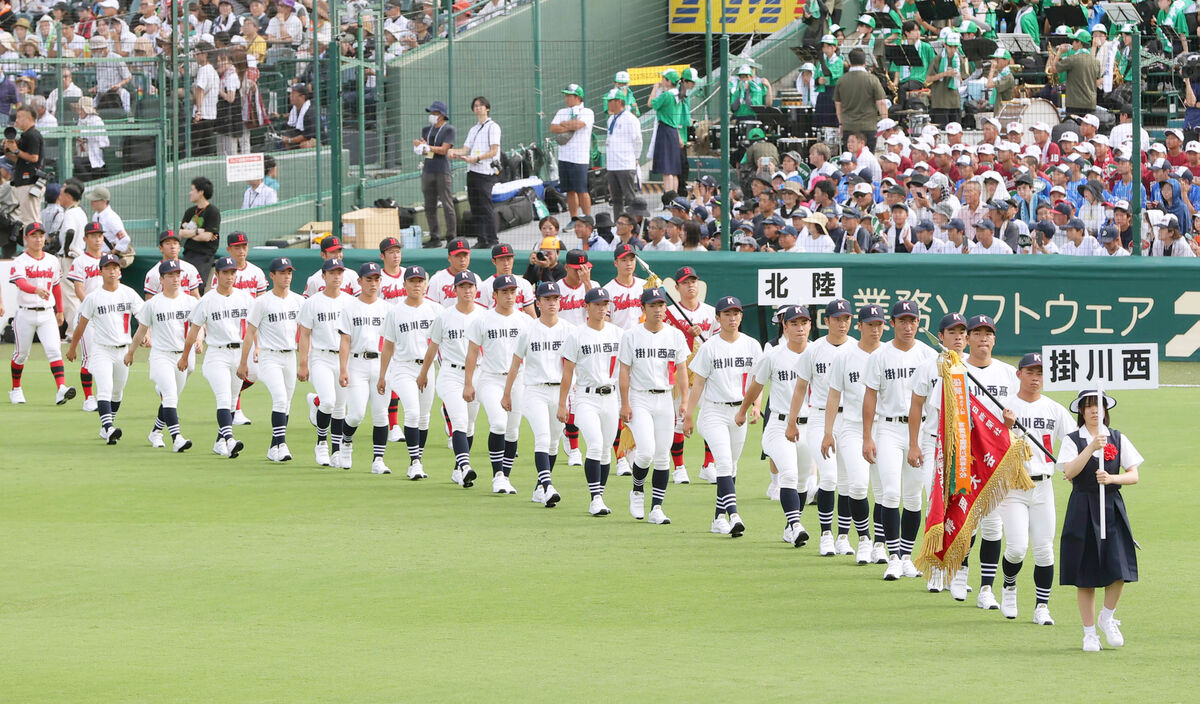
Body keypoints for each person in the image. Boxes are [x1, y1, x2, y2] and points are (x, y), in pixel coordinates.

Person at [994, 352, 1076, 625]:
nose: (1035, 378)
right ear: (1019, 375)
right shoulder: (1005, 407)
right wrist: (1005, 428)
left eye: (1040, 373)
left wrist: (1073, 469)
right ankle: (1009, 586)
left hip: (1043, 486)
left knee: (1044, 549)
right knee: (1017, 547)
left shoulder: (1055, 409)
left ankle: (1042, 607)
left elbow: (1073, 442)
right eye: (1030, 372)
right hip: (1013, 486)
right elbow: (990, 445)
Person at [1059, 390, 1142, 652]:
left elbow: (1133, 474)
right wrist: (1092, 448)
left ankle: (1107, 617)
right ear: (1081, 412)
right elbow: (1069, 471)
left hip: (1111, 506)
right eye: (1088, 406)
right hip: (1082, 506)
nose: (1094, 410)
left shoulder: (1117, 437)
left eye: (1099, 405)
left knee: (1119, 567)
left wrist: (1112, 479)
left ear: (1106, 410)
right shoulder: (1073, 440)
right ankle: (1089, 633)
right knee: (1085, 574)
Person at [861, 300, 936, 581]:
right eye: (902, 321)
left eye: (912, 320)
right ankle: (893, 556)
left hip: (921, 432)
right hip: (889, 428)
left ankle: (907, 556)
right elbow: (870, 396)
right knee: (891, 493)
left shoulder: (929, 356)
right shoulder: (880, 356)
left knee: (914, 497)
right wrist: (867, 436)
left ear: (918, 323)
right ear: (891, 323)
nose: (908, 326)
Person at [682, 296, 760, 538]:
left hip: (739, 412)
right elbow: (698, 384)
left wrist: (755, 406)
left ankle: (718, 517)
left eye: (736, 313)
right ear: (717, 318)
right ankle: (734, 515)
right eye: (727, 313)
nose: (732, 317)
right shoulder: (709, 347)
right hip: (714, 411)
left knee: (732, 466)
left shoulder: (752, 345)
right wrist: (689, 415)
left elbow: (758, 380)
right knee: (724, 463)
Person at [907, 312, 970, 592]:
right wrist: (914, 443)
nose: (958, 337)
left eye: (962, 333)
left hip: (966, 448)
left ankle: (955, 571)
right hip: (935, 443)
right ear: (941, 336)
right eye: (952, 332)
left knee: (961, 510)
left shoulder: (973, 368)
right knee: (935, 507)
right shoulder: (928, 367)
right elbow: (917, 406)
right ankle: (934, 570)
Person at [619, 287, 691, 524]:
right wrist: (625, 403)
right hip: (640, 398)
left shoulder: (675, 335)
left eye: (661, 305)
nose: (658, 310)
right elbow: (624, 371)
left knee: (662, 456)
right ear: (643, 308)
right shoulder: (631, 335)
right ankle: (637, 490)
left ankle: (656, 509)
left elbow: (681, 369)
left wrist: (685, 401)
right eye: (653, 305)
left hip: (665, 399)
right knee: (647, 451)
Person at [788, 299, 854, 555]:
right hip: (818, 418)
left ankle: (843, 536)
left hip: (850, 420)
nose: (842, 323)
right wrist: (792, 421)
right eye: (837, 318)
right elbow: (801, 387)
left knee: (848, 482)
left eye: (846, 318)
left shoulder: (858, 350)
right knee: (828, 476)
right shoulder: (814, 350)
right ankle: (826, 534)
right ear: (825, 321)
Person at [739, 304, 810, 545]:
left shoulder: (818, 353)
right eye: (794, 323)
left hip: (810, 425)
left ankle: (791, 525)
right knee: (788, 475)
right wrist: (743, 410)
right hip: (779, 424)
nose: (799, 328)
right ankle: (796, 525)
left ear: (810, 325)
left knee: (802, 481)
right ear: (784, 326)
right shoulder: (773, 355)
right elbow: (756, 385)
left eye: (804, 322)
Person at [504, 280, 573, 506]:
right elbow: (515, 364)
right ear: (538, 302)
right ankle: (548, 486)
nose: (552, 303)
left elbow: (573, 367)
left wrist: (567, 399)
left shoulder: (569, 331)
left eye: (555, 299)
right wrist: (507, 394)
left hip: (560, 392)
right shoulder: (528, 330)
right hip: (534, 390)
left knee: (553, 442)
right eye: (547, 299)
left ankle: (539, 488)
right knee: (542, 438)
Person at [179, 256, 251, 459]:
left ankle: (220, 441)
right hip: (217, 354)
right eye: (225, 272)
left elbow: (253, 328)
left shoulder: (245, 298)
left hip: (238, 353)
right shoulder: (206, 300)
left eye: (232, 272)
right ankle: (230, 440)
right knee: (223, 397)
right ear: (217, 275)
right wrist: (186, 356)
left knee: (232, 400)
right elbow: (193, 331)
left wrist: (254, 350)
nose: (229, 276)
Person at [463, 273, 530, 494]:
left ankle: (506, 476)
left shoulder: (525, 321)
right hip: (490, 378)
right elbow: (472, 353)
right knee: (499, 424)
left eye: (513, 291)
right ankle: (497, 475)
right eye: (505, 292)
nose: (509, 296)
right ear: (495, 295)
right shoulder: (482, 319)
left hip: (518, 379)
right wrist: (468, 384)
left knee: (513, 431)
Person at [559, 286, 622, 516]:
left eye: (605, 304)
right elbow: (567, 371)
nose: (602, 308)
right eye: (597, 304)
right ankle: (595, 498)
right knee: (595, 444)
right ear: (587, 306)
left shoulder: (618, 333)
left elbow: (625, 370)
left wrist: (627, 402)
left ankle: (600, 496)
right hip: (586, 396)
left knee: (606, 449)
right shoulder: (577, 334)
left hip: (611, 397)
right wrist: (562, 402)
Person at [65, 252, 140, 443]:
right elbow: (81, 325)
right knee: (105, 389)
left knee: (118, 391)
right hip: (101, 349)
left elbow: (143, 315)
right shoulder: (93, 297)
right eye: (107, 268)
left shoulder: (128, 293)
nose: (112, 271)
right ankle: (108, 428)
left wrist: (146, 334)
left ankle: (107, 426)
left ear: (120, 271)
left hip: (123, 349)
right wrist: (73, 347)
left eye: (115, 267)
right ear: (101, 272)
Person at [125, 260, 199, 453]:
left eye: (178, 275)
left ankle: (156, 431)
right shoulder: (152, 304)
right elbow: (141, 331)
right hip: (161, 356)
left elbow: (199, 326)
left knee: (171, 398)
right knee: (170, 396)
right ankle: (177, 438)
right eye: (170, 275)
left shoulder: (191, 302)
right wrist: (131, 352)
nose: (176, 279)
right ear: (162, 279)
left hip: (184, 356)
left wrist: (199, 339)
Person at [420, 270, 483, 486]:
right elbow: (432, 348)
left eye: (470, 286)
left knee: (471, 424)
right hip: (451, 373)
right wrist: (423, 374)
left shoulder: (484, 315)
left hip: (477, 373)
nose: (467, 290)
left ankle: (458, 469)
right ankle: (466, 466)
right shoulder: (444, 316)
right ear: (454, 290)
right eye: (462, 286)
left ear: (476, 289)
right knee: (460, 420)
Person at [238, 257, 302, 462]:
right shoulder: (262, 301)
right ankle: (281, 445)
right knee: (280, 398)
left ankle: (274, 446)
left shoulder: (299, 301)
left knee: (287, 403)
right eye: (282, 272)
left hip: (290, 356)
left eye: (289, 272)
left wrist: (306, 360)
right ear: (272, 276)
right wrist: (242, 362)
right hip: (269, 356)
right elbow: (250, 332)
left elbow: (307, 332)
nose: (287, 276)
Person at [378, 265, 439, 478]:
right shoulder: (394, 311)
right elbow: (388, 345)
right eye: (412, 281)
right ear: (404, 285)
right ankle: (414, 462)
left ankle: (418, 460)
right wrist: (383, 375)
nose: (416, 284)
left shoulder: (435, 310)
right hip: (403, 367)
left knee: (424, 417)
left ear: (426, 284)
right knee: (412, 412)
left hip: (427, 367)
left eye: (420, 281)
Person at [9, 221, 73, 405]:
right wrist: (35, 290)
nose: (38, 239)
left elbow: (56, 286)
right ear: (26, 238)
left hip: (47, 314)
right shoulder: (20, 261)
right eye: (34, 236)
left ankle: (61, 389)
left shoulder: (52, 260)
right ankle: (16, 388)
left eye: (41, 235)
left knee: (54, 350)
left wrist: (60, 310)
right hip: (25, 312)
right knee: (21, 354)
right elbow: (20, 283)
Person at [337, 262, 392, 474]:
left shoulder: (388, 309)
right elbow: (345, 341)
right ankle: (346, 441)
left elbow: (391, 342)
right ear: (359, 281)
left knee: (381, 414)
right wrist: (343, 369)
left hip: (380, 363)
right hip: (357, 362)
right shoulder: (350, 307)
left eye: (376, 279)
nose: (373, 283)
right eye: (368, 279)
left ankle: (378, 460)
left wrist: (387, 372)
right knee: (356, 413)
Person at [297, 258, 349, 468]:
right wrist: (303, 363)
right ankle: (321, 443)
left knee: (340, 408)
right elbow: (304, 334)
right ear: (324, 276)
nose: (336, 276)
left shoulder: (349, 301)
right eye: (332, 272)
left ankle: (336, 450)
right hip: (321, 357)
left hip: (343, 358)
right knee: (327, 401)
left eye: (339, 272)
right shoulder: (313, 302)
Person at [450, 96, 500, 249]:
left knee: (485, 205)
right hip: (472, 171)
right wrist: (454, 152)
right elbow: (466, 149)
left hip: (485, 172)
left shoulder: (493, 127)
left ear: (487, 108)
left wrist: (477, 158)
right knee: (475, 205)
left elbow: (494, 151)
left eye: (481, 105)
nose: (478, 108)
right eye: (476, 106)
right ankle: (481, 239)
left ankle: (492, 239)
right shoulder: (473, 129)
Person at [67, 222, 105, 411]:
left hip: (107, 317)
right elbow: (78, 288)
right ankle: (89, 398)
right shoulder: (80, 261)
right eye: (93, 235)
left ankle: (105, 396)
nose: (97, 239)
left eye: (100, 235)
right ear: (85, 239)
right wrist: (92, 307)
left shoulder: (109, 259)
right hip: (87, 317)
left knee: (108, 358)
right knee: (89, 357)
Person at [415, 100, 456, 249]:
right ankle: (435, 237)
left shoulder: (449, 130)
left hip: (442, 171)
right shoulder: (426, 129)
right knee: (429, 205)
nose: (432, 115)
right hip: (428, 169)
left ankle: (451, 237)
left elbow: (444, 150)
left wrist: (427, 147)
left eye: (435, 113)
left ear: (442, 115)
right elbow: (426, 150)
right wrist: (421, 147)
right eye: (431, 113)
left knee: (447, 204)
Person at [550, 83, 594, 218]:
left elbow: (578, 124)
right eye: (566, 96)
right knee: (569, 190)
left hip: (579, 158)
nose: (566, 98)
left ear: (578, 97)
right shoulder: (561, 112)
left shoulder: (587, 112)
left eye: (569, 96)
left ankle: (587, 218)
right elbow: (553, 127)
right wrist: (568, 126)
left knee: (581, 190)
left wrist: (563, 123)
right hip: (564, 157)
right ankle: (574, 218)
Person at [177, 177, 221, 290]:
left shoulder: (213, 212)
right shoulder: (190, 211)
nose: (190, 193)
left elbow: (206, 237)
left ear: (201, 192)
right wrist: (197, 231)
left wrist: (189, 232)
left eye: (192, 190)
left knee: (198, 285)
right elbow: (181, 233)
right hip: (188, 253)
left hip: (204, 255)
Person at [604, 87, 642, 218]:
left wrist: (636, 158)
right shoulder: (611, 119)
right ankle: (617, 224)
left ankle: (634, 224)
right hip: (612, 165)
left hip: (625, 164)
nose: (607, 104)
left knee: (629, 197)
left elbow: (638, 140)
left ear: (619, 102)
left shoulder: (630, 119)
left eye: (610, 101)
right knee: (616, 199)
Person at [1046, 29, 1100, 115]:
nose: (1072, 43)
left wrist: (1059, 52)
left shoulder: (1072, 59)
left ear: (1079, 43)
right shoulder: (1095, 61)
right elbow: (1096, 82)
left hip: (1074, 104)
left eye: (1074, 41)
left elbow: (1053, 69)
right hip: (1091, 104)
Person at [6, 104, 42, 225]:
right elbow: (20, 159)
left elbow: (33, 157)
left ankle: (34, 243)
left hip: (30, 182)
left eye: (19, 117)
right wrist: (7, 151)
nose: (16, 120)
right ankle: (30, 244)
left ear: (28, 118)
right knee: (27, 219)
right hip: (24, 182)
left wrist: (16, 150)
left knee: (31, 220)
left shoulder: (32, 135)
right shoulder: (25, 135)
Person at [649, 69, 683, 195]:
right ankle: (674, 197)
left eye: (663, 78)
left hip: (664, 130)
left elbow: (650, 103)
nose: (661, 81)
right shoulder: (678, 94)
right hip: (673, 131)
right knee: (673, 170)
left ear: (668, 81)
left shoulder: (667, 95)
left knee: (667, 169)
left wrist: (654, 89)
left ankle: (669, 198)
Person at [144, 230, 203, 299]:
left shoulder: (190, 269)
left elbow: (195, 296)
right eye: (168, 243)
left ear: (179, 248)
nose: (172, 247)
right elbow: (149, 302)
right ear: (160, 248)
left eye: (175, 243)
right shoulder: (153, 273)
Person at [927, 34, 967, 127]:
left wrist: (958, 77)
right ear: (945, 45)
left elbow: (963, 79)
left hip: (954, 102)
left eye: (955, 47)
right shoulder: (937, 59)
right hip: (940, 102)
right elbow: (928, 79)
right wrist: (945, 74)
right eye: (950, 46)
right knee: (942, 129)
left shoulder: (959, 60)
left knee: (956, 129)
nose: (953, 50)